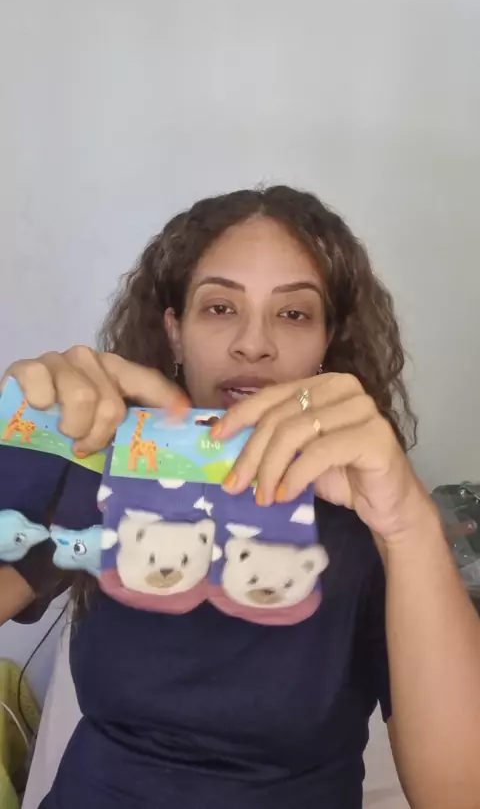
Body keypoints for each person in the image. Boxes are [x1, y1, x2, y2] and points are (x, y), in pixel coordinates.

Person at [1, 185, 480, 809]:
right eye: (220, 307)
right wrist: (25, 446)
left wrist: (408, 526)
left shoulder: (372, 518)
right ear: (175, 334)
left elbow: (461, 793)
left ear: (327, 346)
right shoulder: (109, 473)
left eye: (294, 314)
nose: (253, 343)